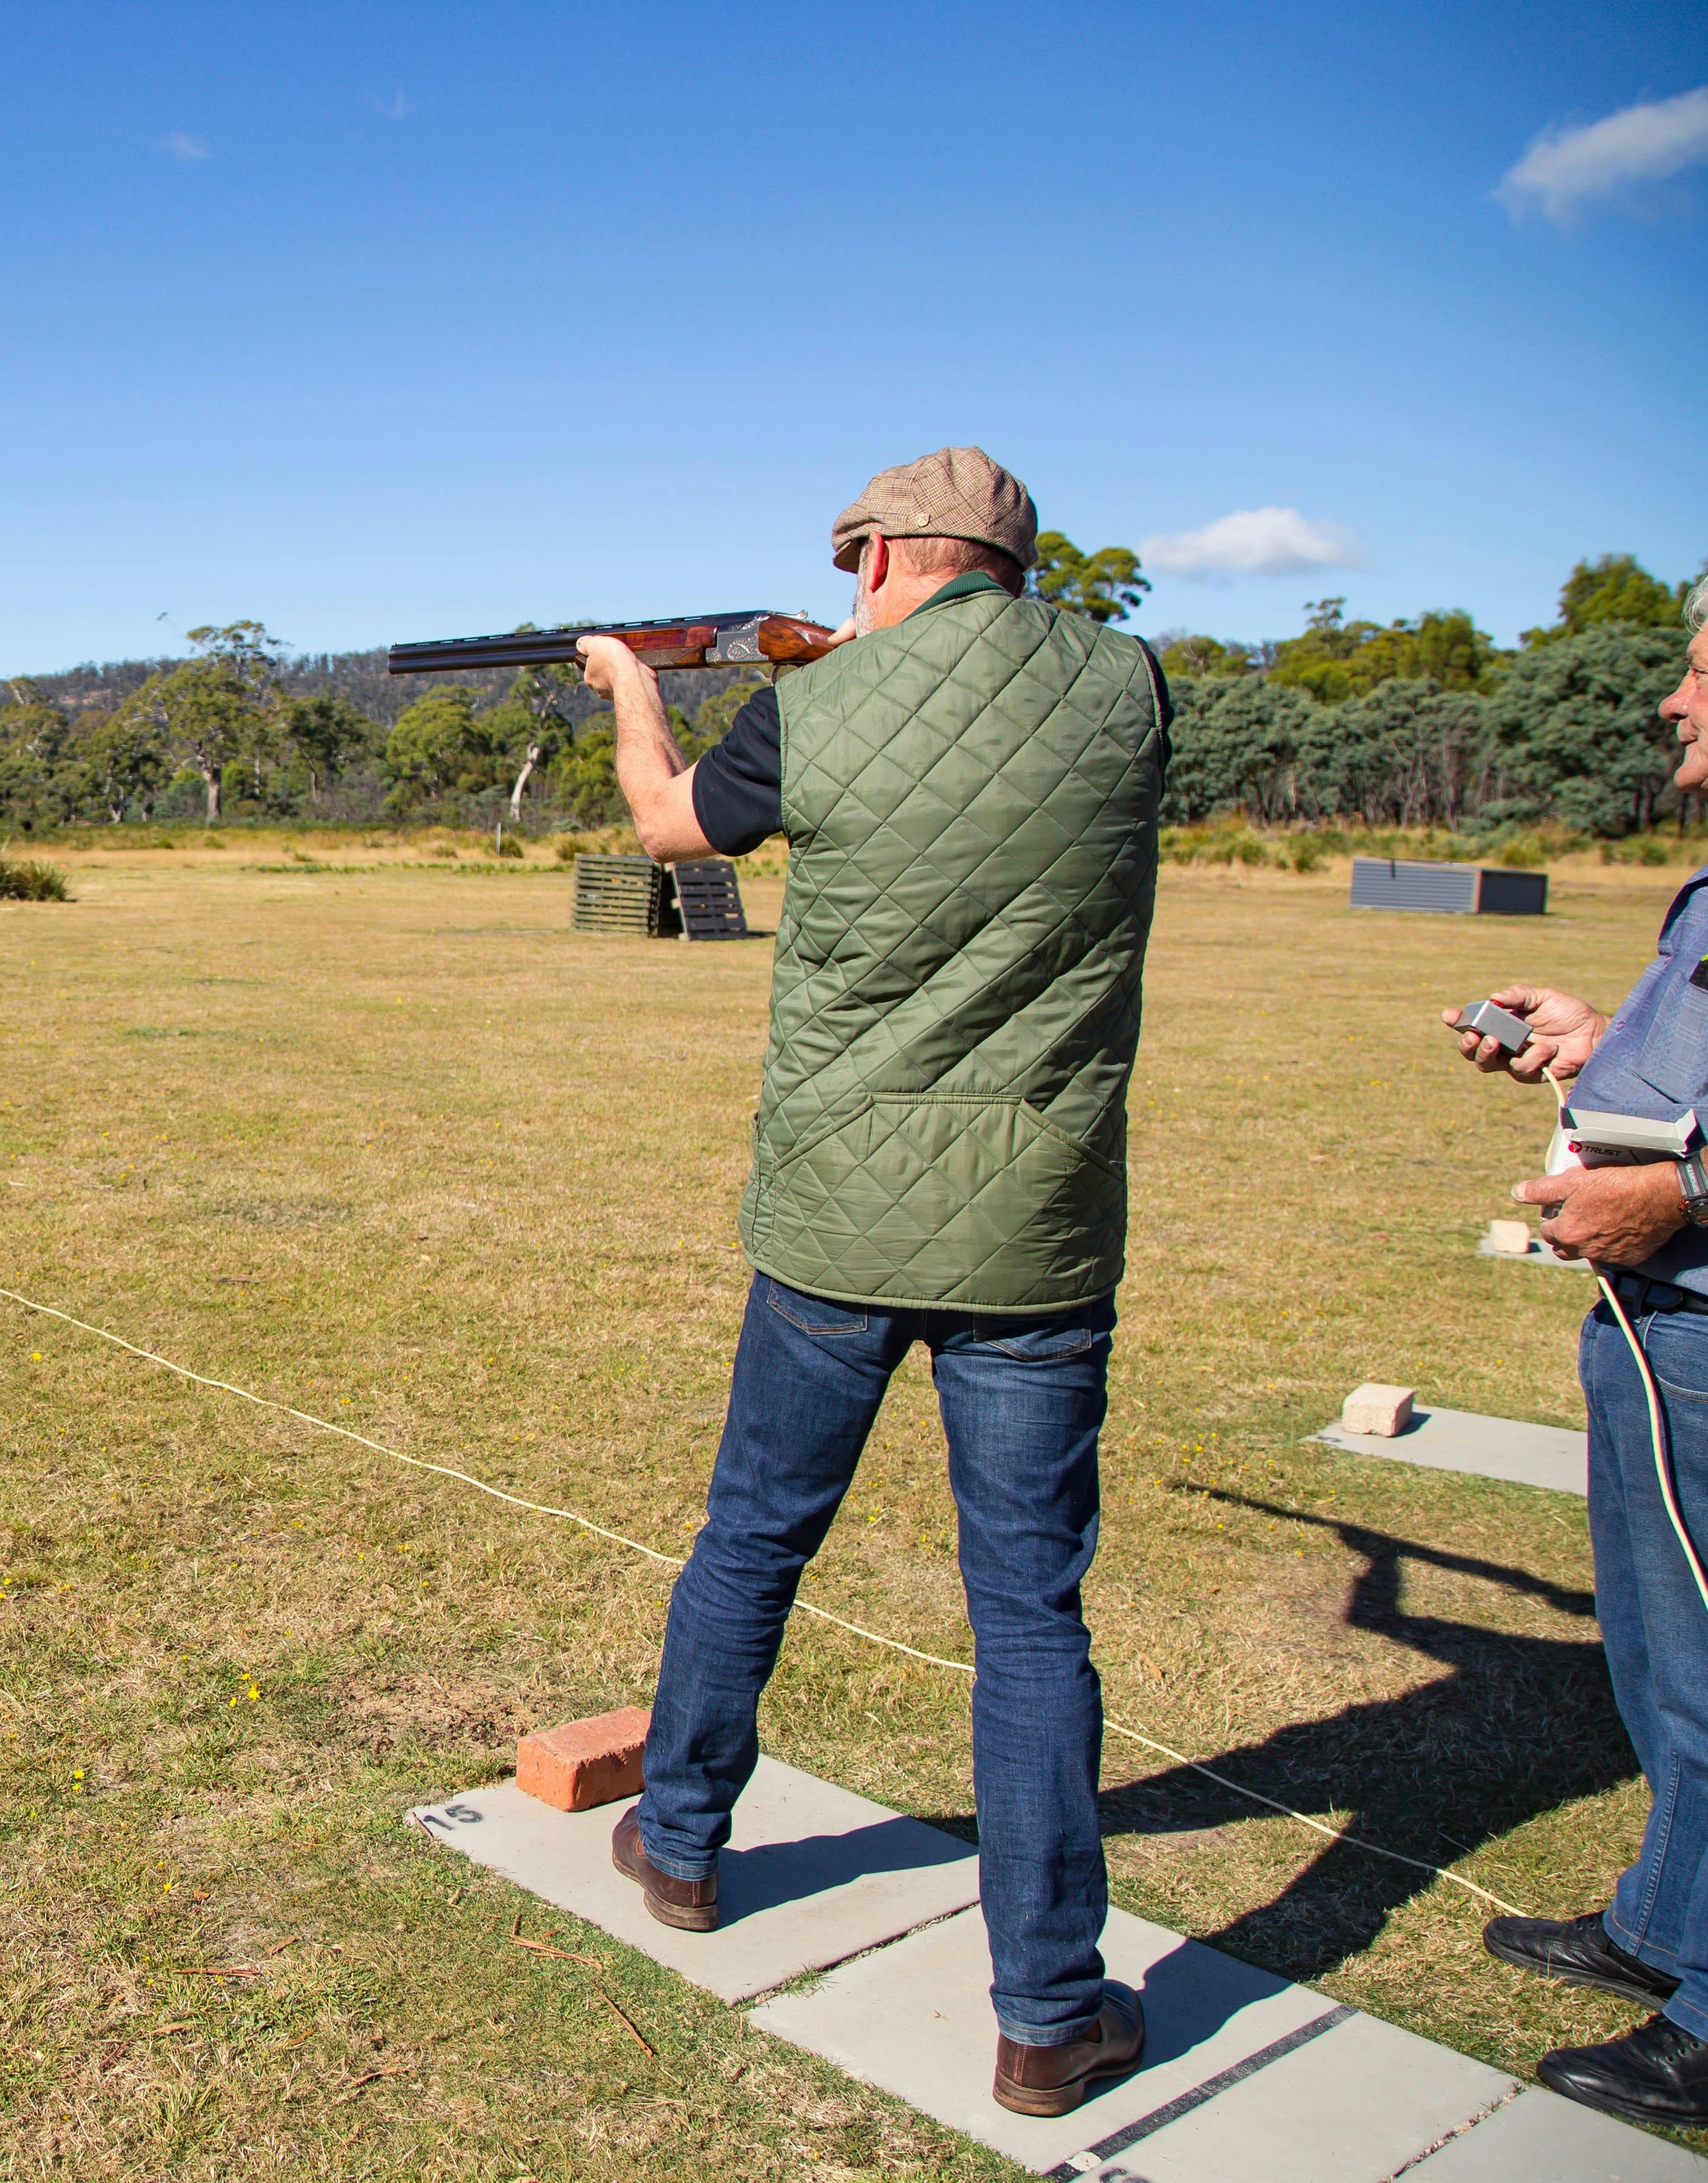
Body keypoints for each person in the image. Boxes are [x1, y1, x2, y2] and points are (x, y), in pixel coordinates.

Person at [578, 446, 1171, 2118]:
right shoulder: (1129, 682)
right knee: (1031, 1617)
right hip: (1038, 1226)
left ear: (897, 552)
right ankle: (1047, 2010)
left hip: (839, 1216)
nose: (844, 585)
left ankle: (683, 1844)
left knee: (754, 1533)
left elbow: (663, 825)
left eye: (855, 558)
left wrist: (631, 687)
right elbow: (991, 742)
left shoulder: (814, 711)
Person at [1440, 576, 1708, 2129]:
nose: (1674, 701)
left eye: (1697, 674)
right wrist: (1590, 1042)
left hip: (1691, 1297)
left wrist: (1676, 1192)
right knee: (1666, 1654)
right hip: (1657, 1322)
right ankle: (1671, 1924)